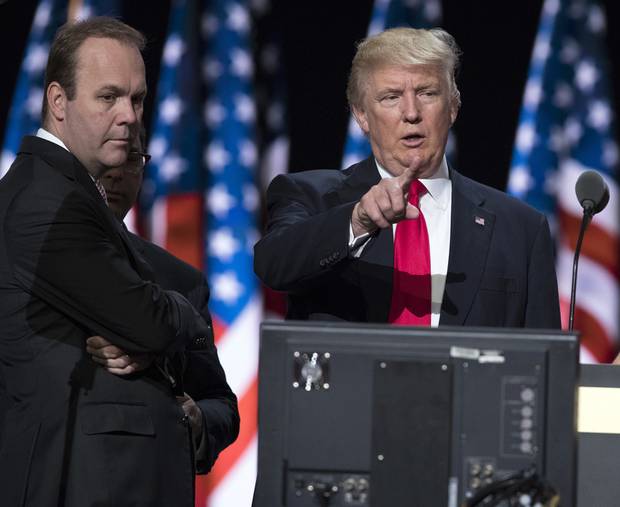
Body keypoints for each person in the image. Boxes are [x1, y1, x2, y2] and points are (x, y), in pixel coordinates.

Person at [0, 17, 235, 507]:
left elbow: (153, 338)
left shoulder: (65, 194)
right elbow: (148, 323)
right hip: (75, 483)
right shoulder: (46, 197)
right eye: (108, 97)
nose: (128, 116)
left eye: (137, 99)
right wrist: (174, 318)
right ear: (58, 102)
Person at [254, 27, 560, 328]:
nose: (411, 112)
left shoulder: (521, 229)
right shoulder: (309, 196)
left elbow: (546, 362)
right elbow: (272, 265)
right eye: (391, 97)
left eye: (427, 93)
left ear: (453, 107)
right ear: (361, 115)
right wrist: (356, 221)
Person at [95, 129, 238, 474]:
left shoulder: (181, 281)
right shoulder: (31, 258)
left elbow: (221, 406)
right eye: (107, 157)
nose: (116, 172)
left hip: (149, 479)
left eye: (131, 159)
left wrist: (194, 419)